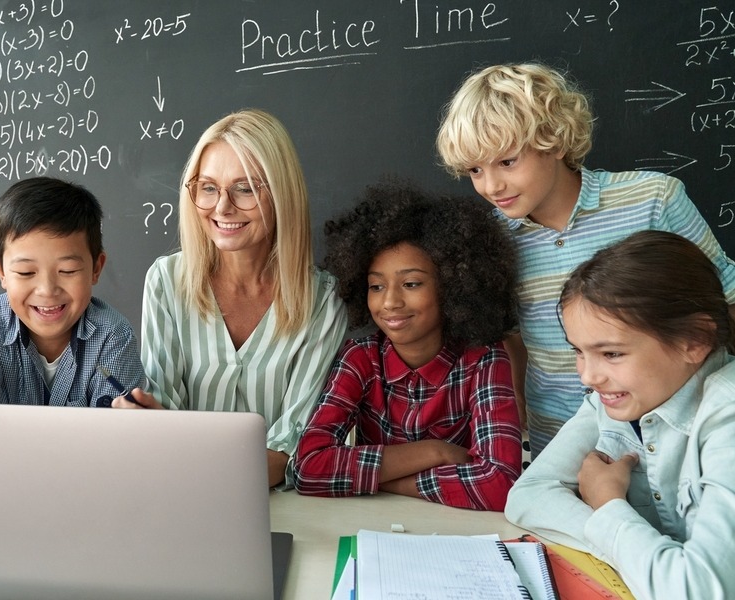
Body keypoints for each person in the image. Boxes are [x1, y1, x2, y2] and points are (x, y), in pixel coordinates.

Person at [435, 62, 735, 458]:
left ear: (554, 141)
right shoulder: (491, 240)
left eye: (507, 162)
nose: (491, 186)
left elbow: (726, 301)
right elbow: (511, 335)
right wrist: (517, 410)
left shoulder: (653, 200)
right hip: (561, 442)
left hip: (677, 437)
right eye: (474, 170)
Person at [506, 230, 735, 597]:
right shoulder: (613, 398)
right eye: (579, 351)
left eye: (611, 353)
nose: (588, 376)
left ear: (695, 340)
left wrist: (609, 505)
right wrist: (635, 553)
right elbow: (527, 496)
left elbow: (696, 590)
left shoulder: (728, 414)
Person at [127, 108, 348, 488]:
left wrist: (181, 453)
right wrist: (147, 420)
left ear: (282, 194)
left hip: (283, 509)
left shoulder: (323, 300)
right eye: (208, 187)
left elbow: (293, 451)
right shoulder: (167, 281)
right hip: (182, 498)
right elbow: (163, 423)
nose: (222, 207)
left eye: (244, 188)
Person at [293, 181, 521, 510]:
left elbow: (501, 483)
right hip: (372, 525)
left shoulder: (482, 357)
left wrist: (385, 480)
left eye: (411, 283)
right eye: (376, 286)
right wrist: (435, 452)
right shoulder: (360, 359)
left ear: (452, 285)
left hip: (458, 530)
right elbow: (308, 469)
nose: (390, 302)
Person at [0, 177, 144, 407]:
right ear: (2, 272)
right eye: (26, 272)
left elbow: (116, 432)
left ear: (96, 268)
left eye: (67, 270)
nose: (47, 290)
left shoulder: (113, 336)